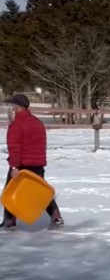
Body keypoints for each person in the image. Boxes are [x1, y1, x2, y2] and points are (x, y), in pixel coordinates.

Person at [1, 93, 63, 231]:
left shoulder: (16, 125)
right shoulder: (37, 122)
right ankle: (56, 216)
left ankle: (9, 221)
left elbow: (15, 149)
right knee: (39, 192)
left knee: (10, 191)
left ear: (17, 107)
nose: (11, 108)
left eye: (12, 105)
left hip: (22, 165)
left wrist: (14, 166)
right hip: (38, 164)